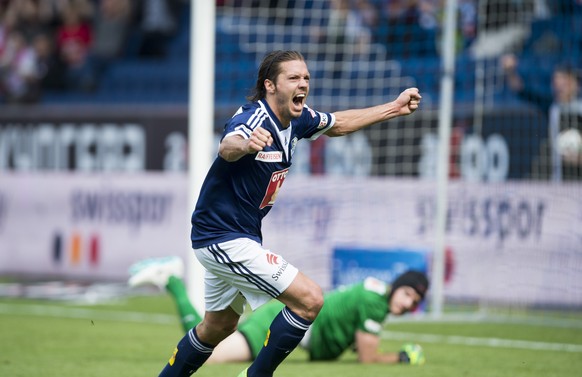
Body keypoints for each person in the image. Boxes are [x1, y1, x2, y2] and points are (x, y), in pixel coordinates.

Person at [159, 50, 422, 377]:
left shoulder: (298, 119)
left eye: (306, 77)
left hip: (234, 236)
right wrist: (245, 144)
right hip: (222, 238)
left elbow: (337, 124)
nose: (304, 84)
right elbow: (227, 144)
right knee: (310, 299)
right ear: (270, 85)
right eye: (294, 78)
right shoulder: (254, 118)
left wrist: (393, 108)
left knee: (218, 326)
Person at [129, 256, 429, 365]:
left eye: (414, 302)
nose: (407, 304)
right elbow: (367, 359)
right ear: (397, 285)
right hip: (284, 322)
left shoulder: (376, 294)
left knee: (210, 339)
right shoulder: (375, 303)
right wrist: (400, 358)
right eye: (407, 294)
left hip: (291, 324)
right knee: (209, 353)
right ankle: (172, 279)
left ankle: (170, 279)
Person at [501, 54, 582, 180]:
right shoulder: (552, 106)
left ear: (574, 84)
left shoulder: (579, 109)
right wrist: (510, 71)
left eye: (564, 83)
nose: (559, 88)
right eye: (556, 83)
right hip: (559, 182)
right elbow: (520, 89)